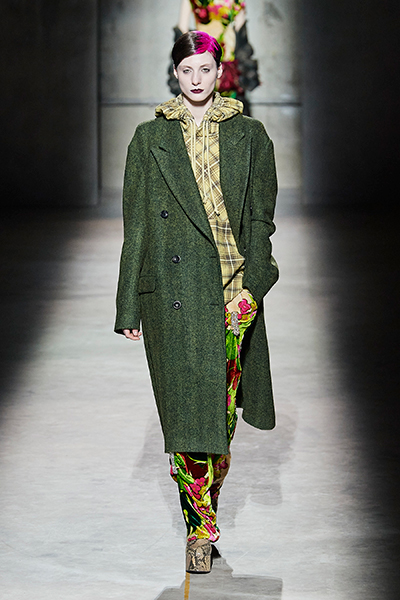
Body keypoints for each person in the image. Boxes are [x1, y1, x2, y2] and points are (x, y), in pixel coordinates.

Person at [115, 31, 278, 574]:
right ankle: (199, 531)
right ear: (175, 73)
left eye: (205, 68)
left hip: (233, 296)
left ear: (219, 71)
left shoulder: (250, 136)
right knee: (189, 425)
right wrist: (127, 305)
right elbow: (136, 226)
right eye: (186, 69)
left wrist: (254, 287)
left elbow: (260, 220)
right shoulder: (149, 139)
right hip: (174, 296)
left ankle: (205, 510)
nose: (196, 79)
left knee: (219, 423)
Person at [167, 0, 260, 115]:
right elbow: (182, 32)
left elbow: (241, 35)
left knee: (231, 111)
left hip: (228, 65)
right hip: (203, 57)